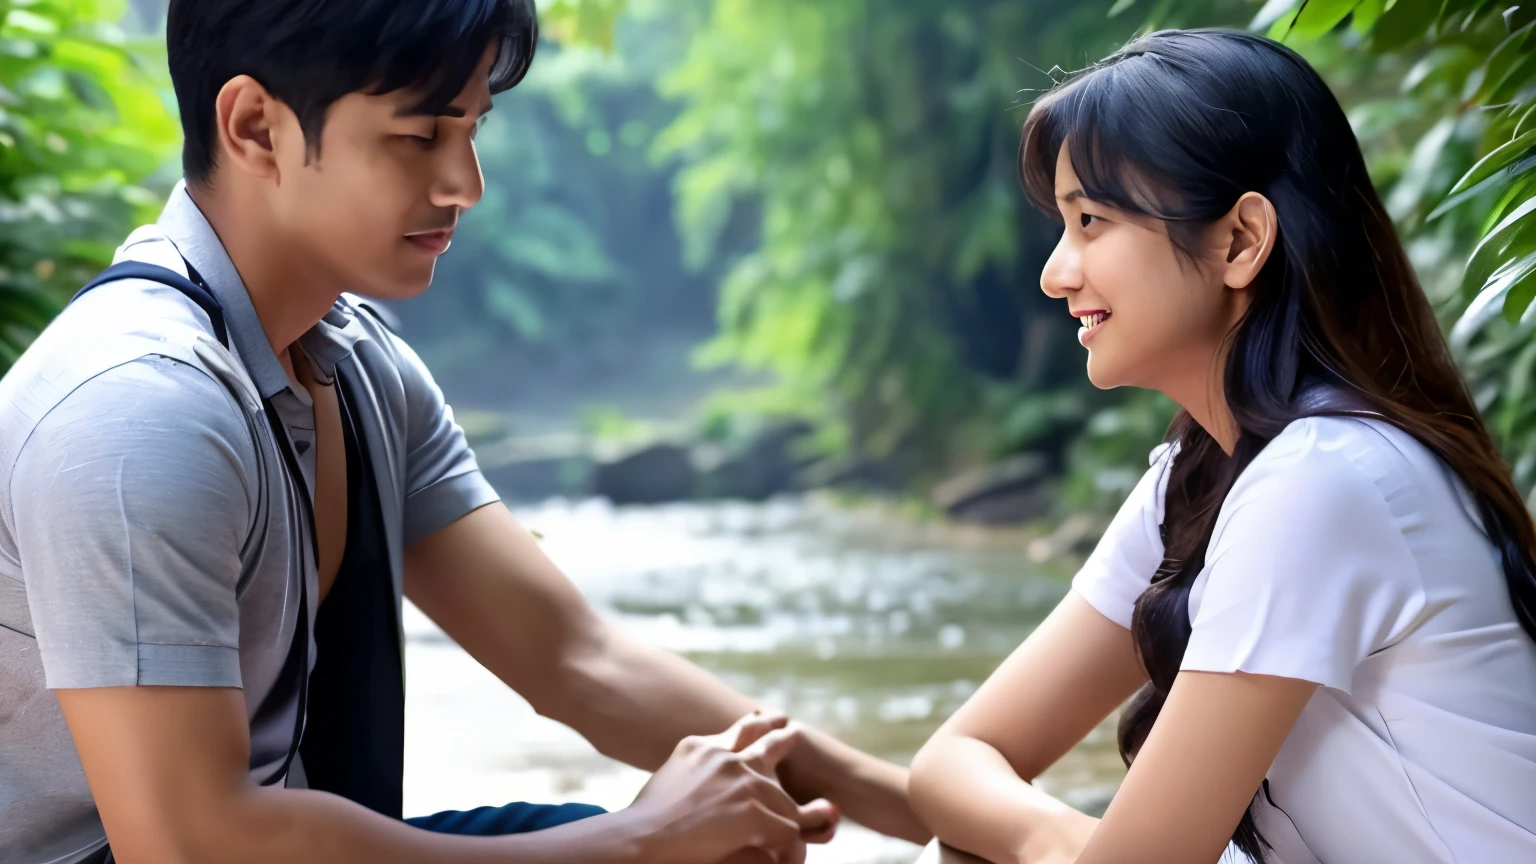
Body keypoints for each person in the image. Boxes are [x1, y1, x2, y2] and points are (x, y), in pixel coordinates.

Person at [0, 2, 928, 862]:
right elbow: (191, 844)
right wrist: (641, 841)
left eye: (472, 129)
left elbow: (576, 658)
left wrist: (935, 813)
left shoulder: (356, 367)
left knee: (733, 838)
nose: (466, 183)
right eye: (418, 135)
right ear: (254, 128)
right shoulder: (139, 406)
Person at [907, 28, 1536, 864]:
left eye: (1091, 221)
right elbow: (951, 761)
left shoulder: (1324, 482)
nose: (1057, 273)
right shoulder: (1206, 473)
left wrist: (1061, 845)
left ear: (1240, 241)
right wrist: (1060, 840)